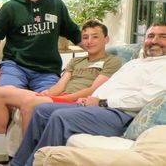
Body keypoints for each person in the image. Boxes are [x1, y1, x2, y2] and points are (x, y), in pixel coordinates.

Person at [11, 22, 166, 166]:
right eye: (151, 36)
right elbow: (109, 85)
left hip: (121, 114)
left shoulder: (163, 66)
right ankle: (17, 164)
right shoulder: (136, 62)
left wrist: (102, 102)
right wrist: (90, 99)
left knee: (60, 118)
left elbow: (145, 98)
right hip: (98, 106)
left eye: (162, 36)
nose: (154, 41)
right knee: (42, 110)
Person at [0, 20, 121, 139]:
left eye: (95, 37)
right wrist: (47, 94)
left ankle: (28, 155)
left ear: (106, 39)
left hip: (77, 101)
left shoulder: (111, 61)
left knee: (31, 104)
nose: (89, 41)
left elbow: (93, 90)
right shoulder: (76, 61)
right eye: (85, 37)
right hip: (63, 96)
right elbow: (60, 86)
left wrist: (63, 99)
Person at [0, 0, 82, 93]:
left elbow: (73, 32)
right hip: (15, 67)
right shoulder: (10, 7)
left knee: (47, 103)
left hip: (47, 70)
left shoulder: (56, 4)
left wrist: (99, 52)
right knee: (7, 95)